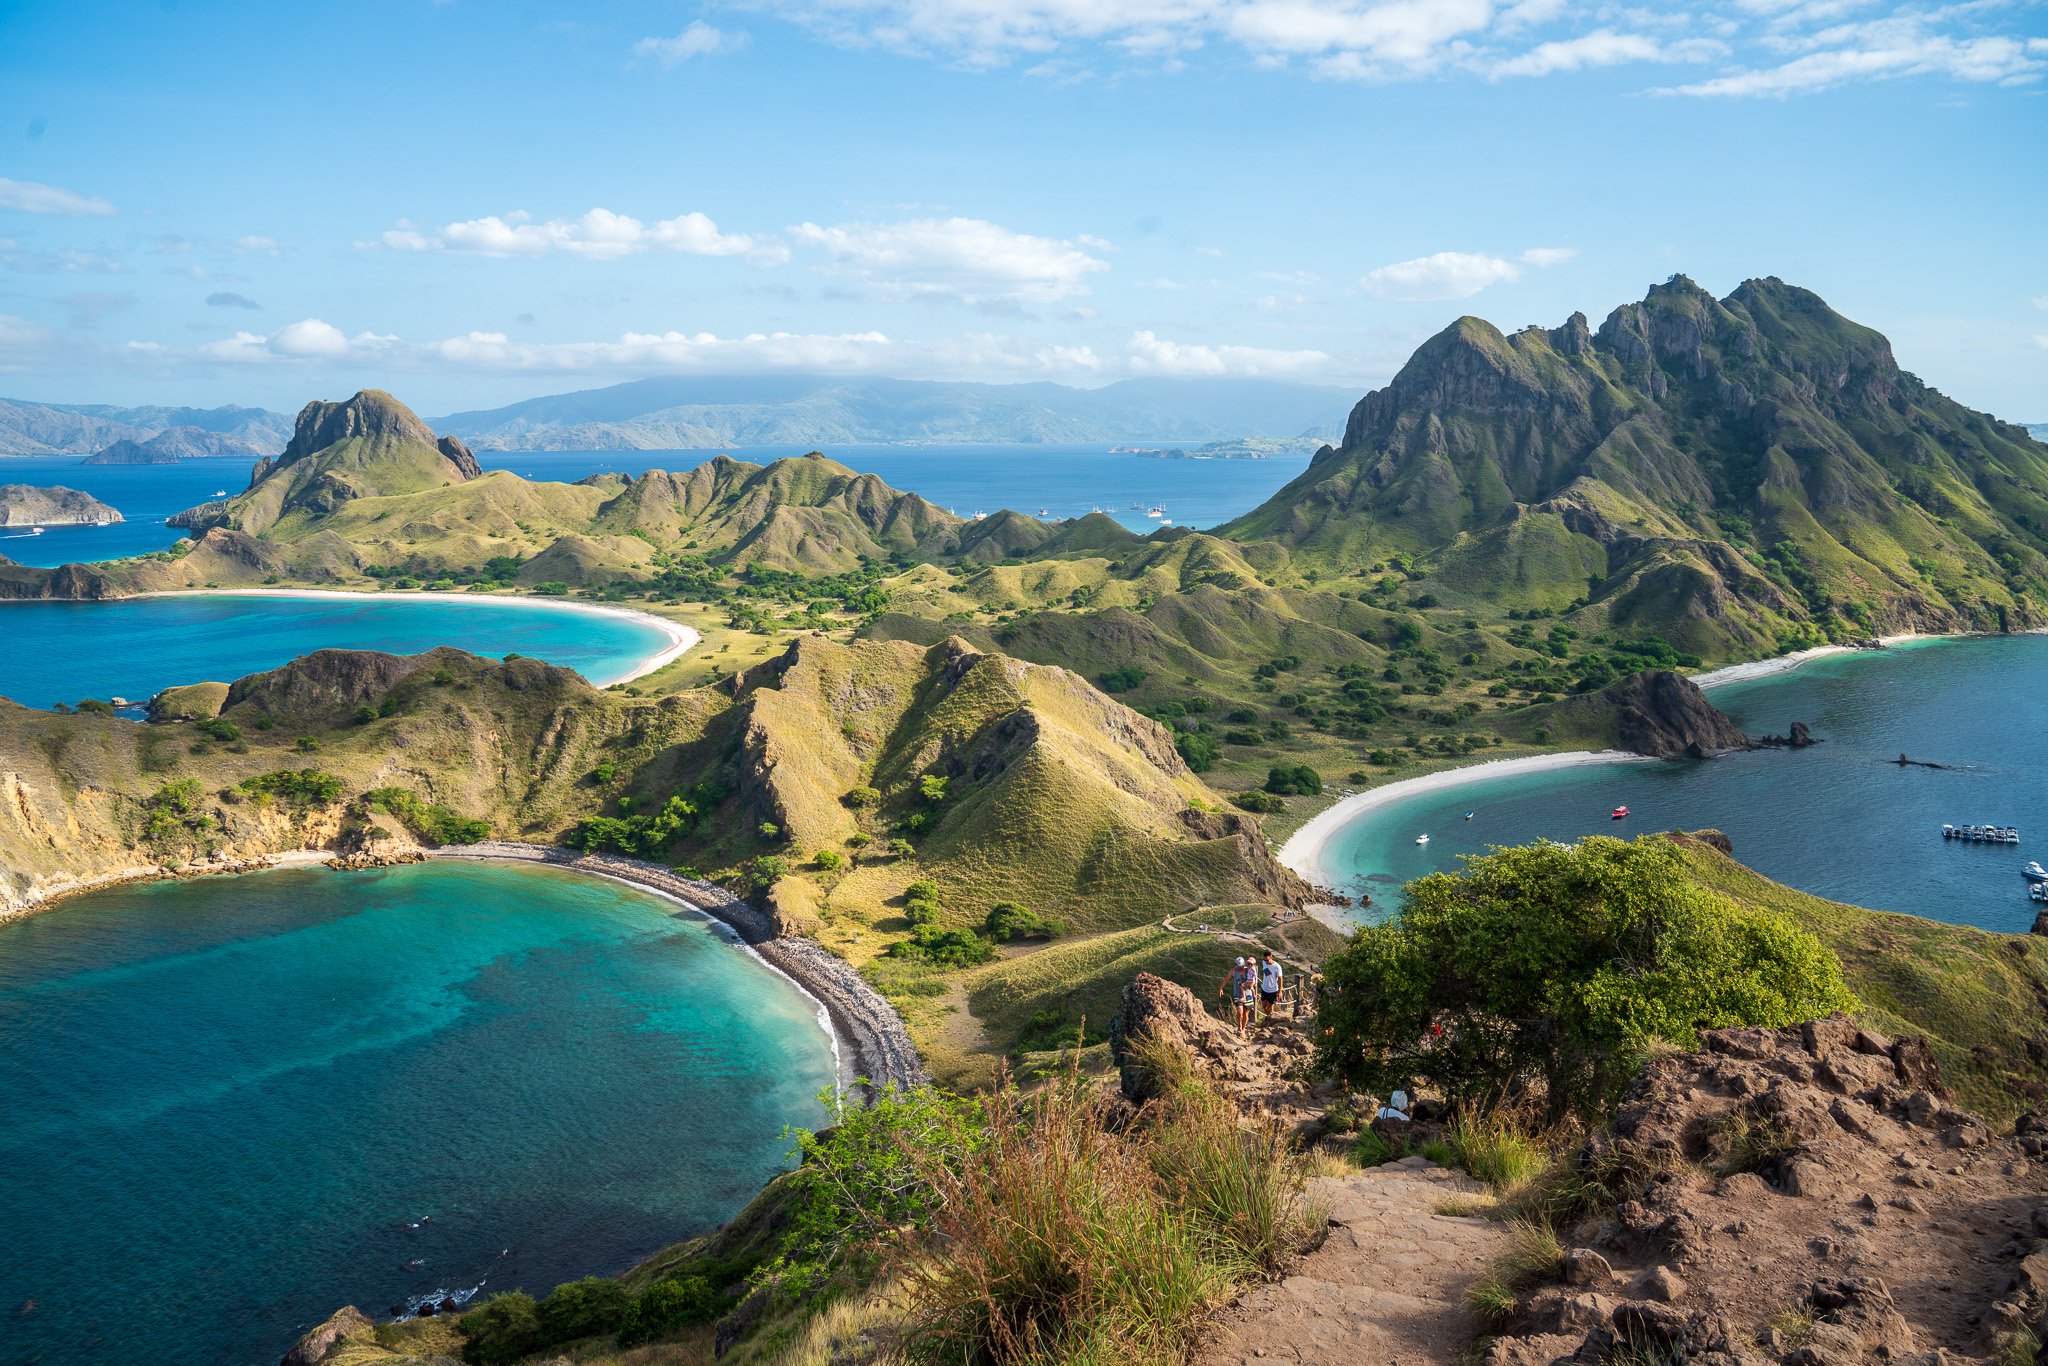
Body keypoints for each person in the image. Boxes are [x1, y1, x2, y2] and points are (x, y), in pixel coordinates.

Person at [1217, 957, 1250, 1029]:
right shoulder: (1234, 971)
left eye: (1241, 966)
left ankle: (1243, 1029)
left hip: (1248, 994)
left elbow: (1254, 979)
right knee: (1240, 1012)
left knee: (1246, 1014)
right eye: (1239, 966)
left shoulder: (1248, 970)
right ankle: (1239, 1028)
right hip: (1237, 994)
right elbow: (1226, 979)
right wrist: (1221, 988)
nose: (1240, 967)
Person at [1258, 951, 1284, 1022]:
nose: (1266, 961)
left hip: (1273, 990)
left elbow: (1280, 978)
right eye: (1265, 960)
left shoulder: (1277, 967)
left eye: (1267, 960)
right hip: (1264, 988)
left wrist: (1280, 991)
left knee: (1269, 1006)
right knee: (1264, 1007)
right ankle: (1270, 1019)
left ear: (1271, 957)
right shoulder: (1264, 963)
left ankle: (1271, 1020)